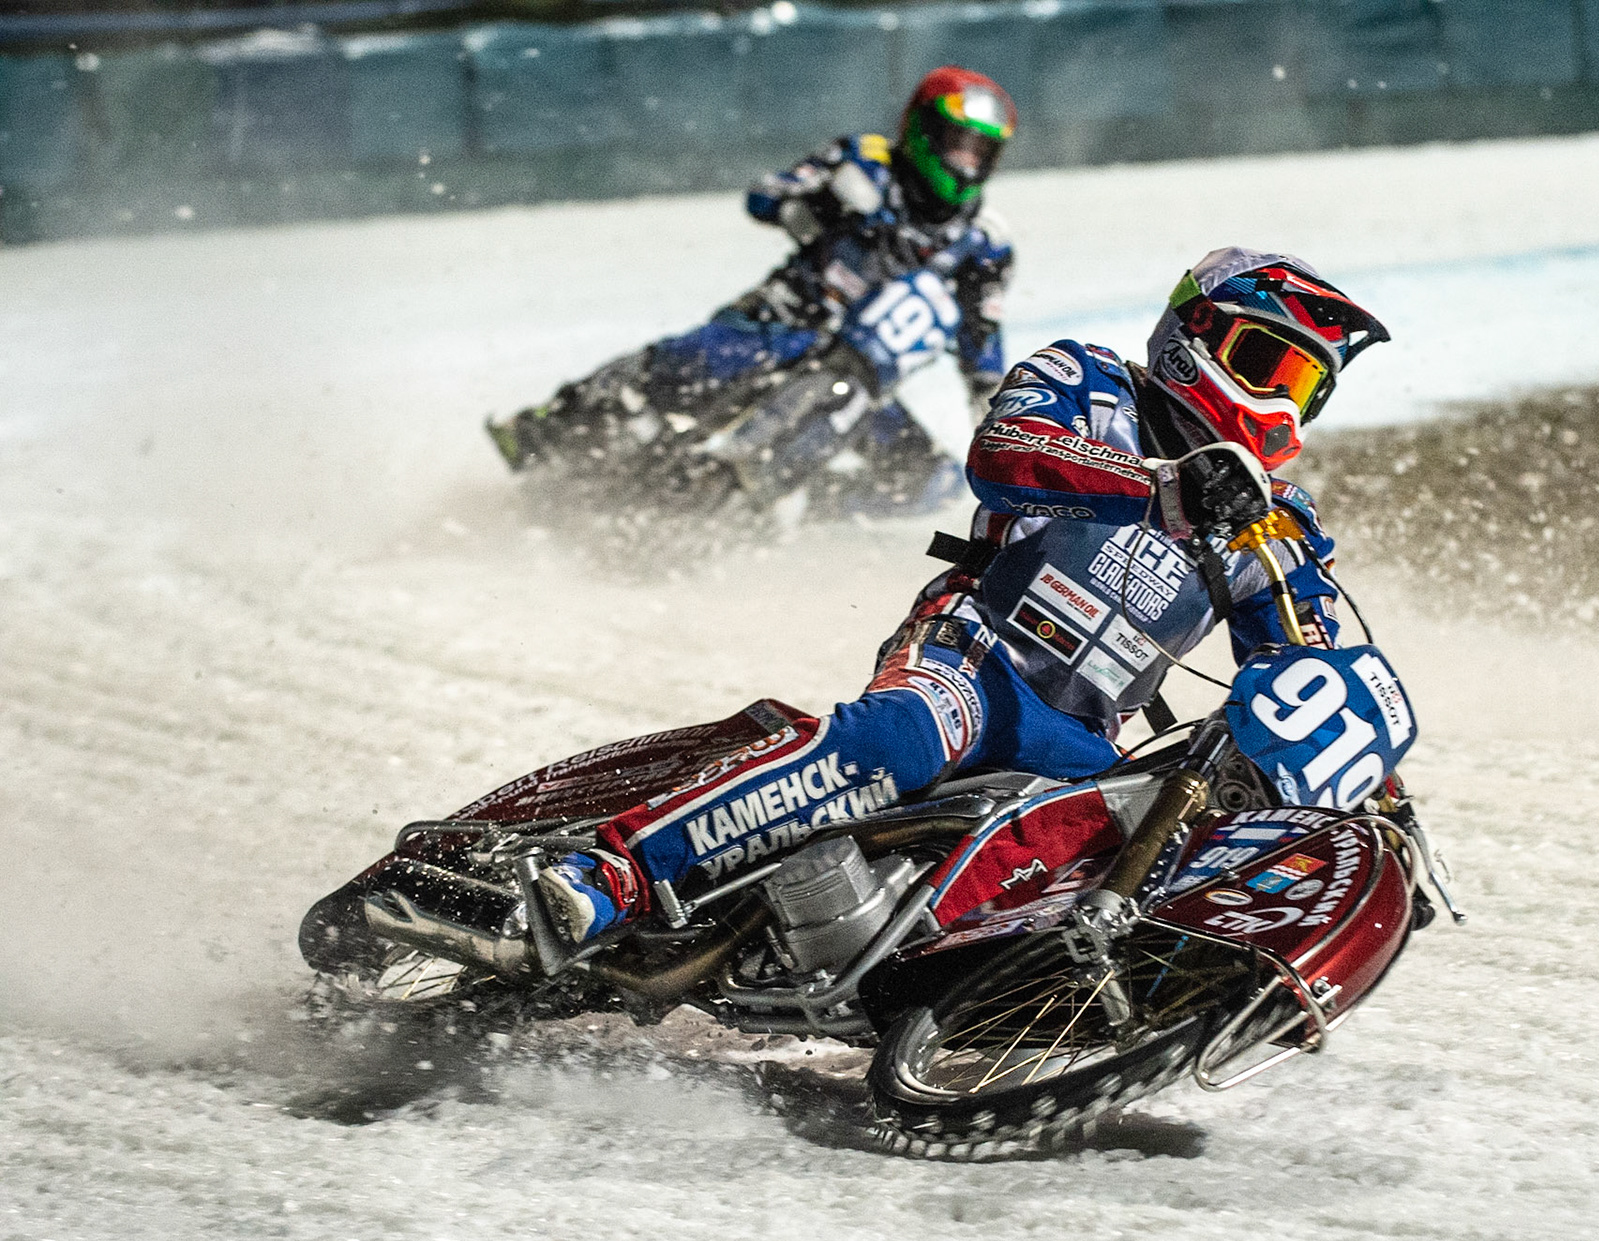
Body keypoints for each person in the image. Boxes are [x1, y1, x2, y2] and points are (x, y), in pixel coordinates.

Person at [537, 247, 1391, 946]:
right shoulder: (1090, 383)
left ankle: (953, 993)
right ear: (1192, 334)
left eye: (1305, 385)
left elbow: (1306, 662)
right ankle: (614, 871)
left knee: (1151, 845)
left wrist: (1369, 781)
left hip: (1080, 735)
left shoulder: (1277, 524)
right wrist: (1163, 487)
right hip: (972, 653)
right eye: (1265, 362)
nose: (1279, 398)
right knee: (900, 739)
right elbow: (1005, 458)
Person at [488, 66, 1018, 504]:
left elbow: (983, 350)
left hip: (858, 380)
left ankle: (785, 515)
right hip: (780, 321)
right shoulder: (865, 160)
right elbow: (765, 197)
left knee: (930, 484)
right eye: (958, 145)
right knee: (676, 371)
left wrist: (996, 419)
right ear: (921, 131)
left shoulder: (984, 246)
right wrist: (821, 203)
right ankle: (549, 428)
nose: (968, 163)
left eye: (982, 152)